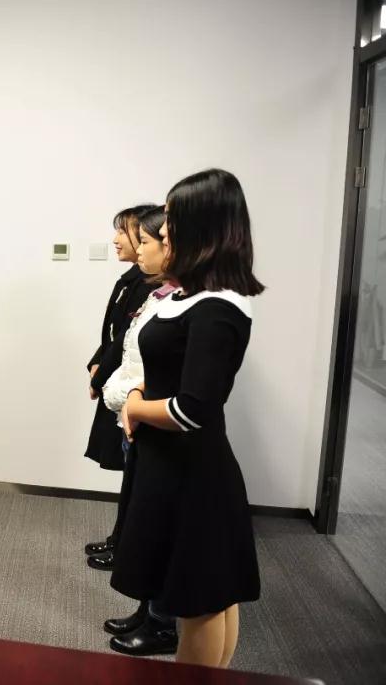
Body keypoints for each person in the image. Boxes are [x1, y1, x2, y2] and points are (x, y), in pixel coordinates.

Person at [113, 169, 264, 668]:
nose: (163, 228)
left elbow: (192, 409)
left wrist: (135, 407)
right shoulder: (188, 296)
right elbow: (162, 372)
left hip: (192, 472)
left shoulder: (219, 307)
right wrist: (139, 391)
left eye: (172, 218)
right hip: (167, 464)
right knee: (209, 594)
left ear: (202, 227)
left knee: (201, 600)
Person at [97, 206, 180, 656]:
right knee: (143, 519)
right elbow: (128, 350)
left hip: (158, 425)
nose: (127, 244)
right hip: (138, 418)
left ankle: (162, 622)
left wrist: (133, 402)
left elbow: (174, 383)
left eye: (145, 239)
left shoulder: (200, 303)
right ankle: (149, 610)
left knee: (158, 527)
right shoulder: (160, 293)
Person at [83, 204, 156, 569]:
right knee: (131, 474)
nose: (116, 240)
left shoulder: (149, 286)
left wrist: (99, 377)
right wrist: (96, 363)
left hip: (135, 393)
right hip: (121, 386)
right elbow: (114, 335)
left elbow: (127, 340)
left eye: (125, 233)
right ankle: (120, 540)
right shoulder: (133, 279)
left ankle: (125, 546)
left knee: (138, 478)